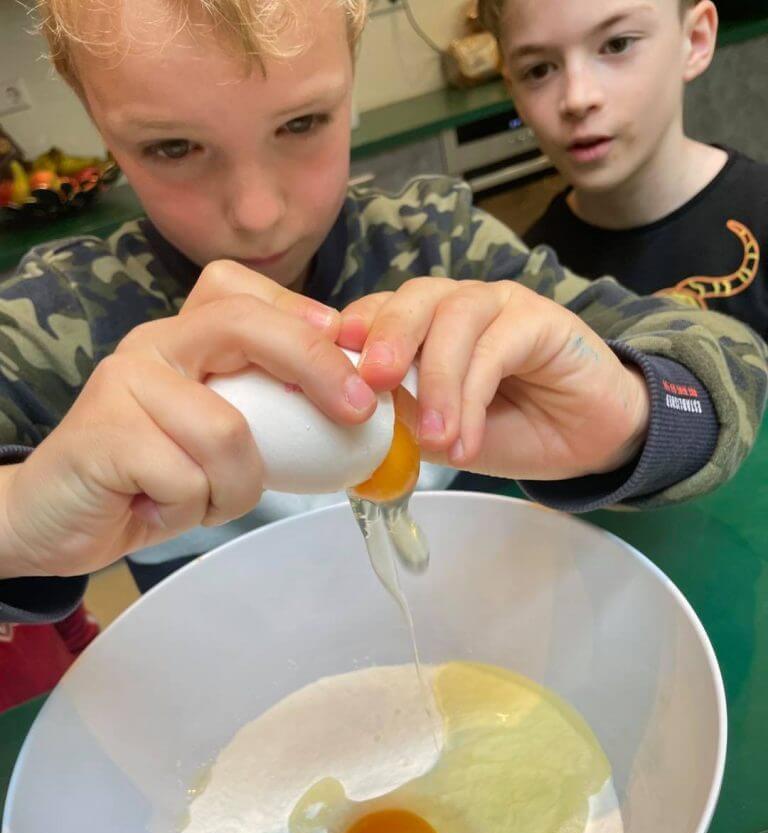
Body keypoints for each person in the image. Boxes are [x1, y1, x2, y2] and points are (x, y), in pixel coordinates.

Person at [0, 0, 765, 630]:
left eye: (302, 124)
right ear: (101, 132)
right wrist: (17, 518)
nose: (258, 214)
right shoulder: (61, 320)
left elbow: (727, 356)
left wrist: (633, 413)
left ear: (350, 87)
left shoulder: (436, 241)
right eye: (172, 148)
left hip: (479, 653)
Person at [478, 0, 768, 337]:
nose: (577, 98)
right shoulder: (527, 285)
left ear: (695, 39)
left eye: (617, 45)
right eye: (539, 70)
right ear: (514, 91)